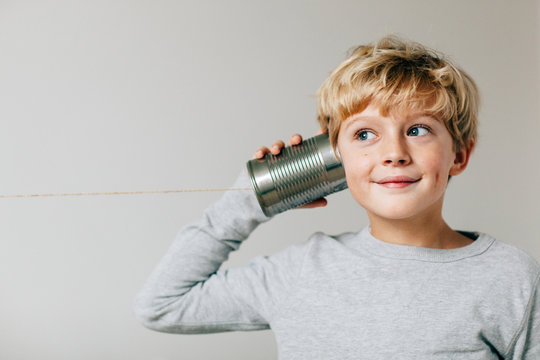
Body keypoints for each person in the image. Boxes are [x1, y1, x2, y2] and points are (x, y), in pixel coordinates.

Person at [133, 35, 540, 359]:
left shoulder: (509, 276)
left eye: (418, 129)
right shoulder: (302, 271)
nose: (393, 153)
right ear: (333, 157)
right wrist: (250, 197)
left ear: (459, 155)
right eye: (365, 134)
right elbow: (163, 305)